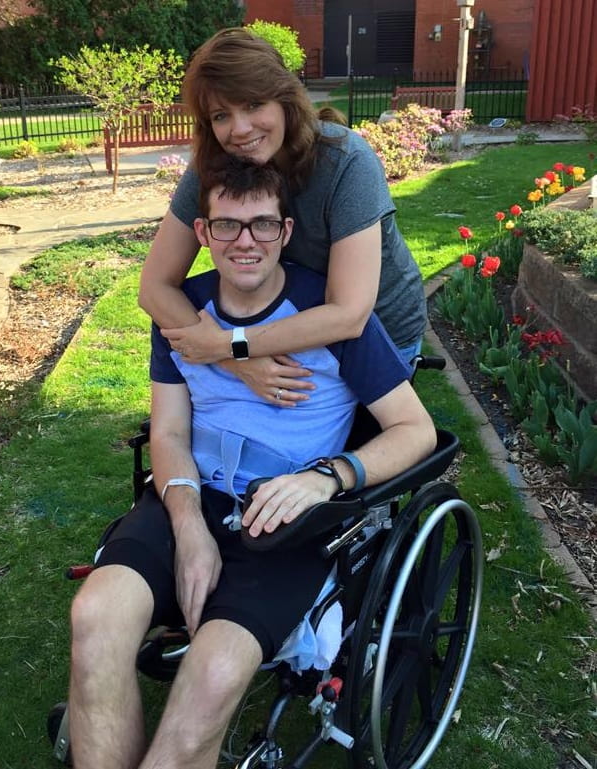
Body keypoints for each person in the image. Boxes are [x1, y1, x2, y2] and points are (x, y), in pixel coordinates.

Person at [68, 158, 436, 769]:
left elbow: (415, 429)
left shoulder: (329, 315)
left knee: (211, 676)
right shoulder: (183, 312)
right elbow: (168, 431)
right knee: (95, 617)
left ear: (286, 233)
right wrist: (187, 528)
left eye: (262, 225)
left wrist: (327, 477)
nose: (245, 242)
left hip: (286, 520)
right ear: (203, 233)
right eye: (228, 226)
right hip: (188, 495)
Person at [138, 27, 427, 411]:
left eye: (254, 104)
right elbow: (154, 288)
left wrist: (228, 344)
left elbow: (349, 315)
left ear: (285, 100)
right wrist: (236, 360)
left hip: (376, 339)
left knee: (321, 447)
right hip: (274, 327)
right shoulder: (211, 170)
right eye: (222, 115)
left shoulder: (345, 162)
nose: (239, 129)